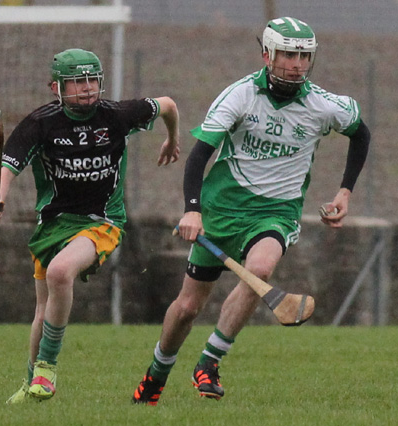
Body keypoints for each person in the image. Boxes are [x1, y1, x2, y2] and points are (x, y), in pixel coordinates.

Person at [132, 17, 370, 405]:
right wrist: (192, 210)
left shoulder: (324, 104)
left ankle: (209, 362)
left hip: (276, 211)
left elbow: (361, 134)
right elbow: (198, 158)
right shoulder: (239, 96)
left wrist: (345, 191)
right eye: (289, 54)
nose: (297, 64)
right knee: (189, 307)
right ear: (267, 55)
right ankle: (157, 374)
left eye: (304, 56)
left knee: (260, 270)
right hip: (222, 209)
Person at [0, 48, 180, 404]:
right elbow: (6, 171)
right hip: (53, 224)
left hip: (101, 221)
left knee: (61, 273)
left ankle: (46, 366)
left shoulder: (117, 115)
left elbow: (167, 104)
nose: (87, 88)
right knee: (42, 311)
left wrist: (172, 137)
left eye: (92, 80)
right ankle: (31, 385)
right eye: (76, 82)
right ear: (55, 87)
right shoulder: (39, 124)